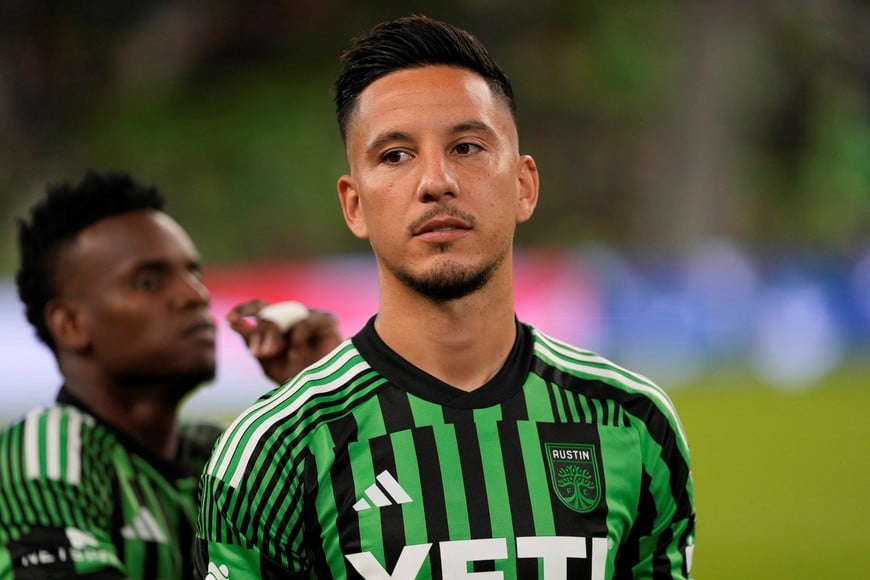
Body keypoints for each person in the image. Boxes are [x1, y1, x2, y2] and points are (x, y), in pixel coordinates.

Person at [195, 14, 695, 579]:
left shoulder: (630, 420)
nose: (436, 181)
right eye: (395, 156)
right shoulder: (273, 453)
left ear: (524, 185)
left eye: (467, 147)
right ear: (354, 205)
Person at [0, 171, 342, 578]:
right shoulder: (47, 450)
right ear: (70, 323)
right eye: (148, 281)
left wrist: (326, 402)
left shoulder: (222, 456)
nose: (195, 295)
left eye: (194, 274)